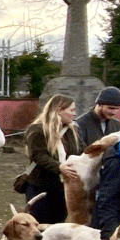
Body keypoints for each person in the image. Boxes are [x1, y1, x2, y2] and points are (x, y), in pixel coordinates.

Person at [22, 95, 81, 224]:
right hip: (40, 186)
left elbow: (81, 151)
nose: (74, 114)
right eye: (71, 110)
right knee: (39, 225)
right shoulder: (36, 130)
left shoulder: (72, 131)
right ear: (59, 110)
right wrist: (59, 167)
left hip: (63, 188)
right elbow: (38, 155)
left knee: (56, 227)